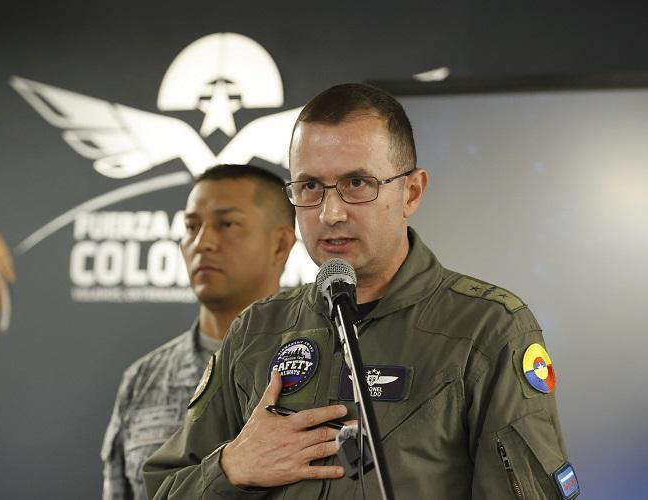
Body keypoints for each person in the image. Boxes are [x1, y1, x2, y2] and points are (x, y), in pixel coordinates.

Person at [143, 84, 579, 499]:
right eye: (310, 187)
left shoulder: (486, 328)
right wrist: (232, 467)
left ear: (411, 192)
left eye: (357, 183)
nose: (330, 214)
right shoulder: (257, 329)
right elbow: (163, 489)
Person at [101, 164, 297, 499]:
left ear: (280, 244)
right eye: (192, 227)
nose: (203, 242)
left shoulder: (323, 360)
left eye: (227, 224)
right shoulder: (143, 379)